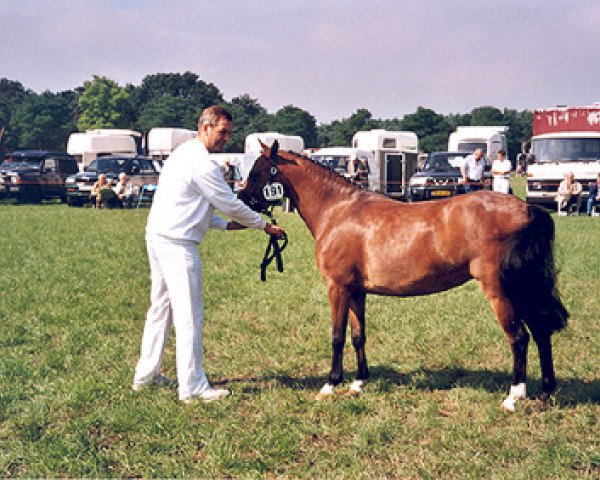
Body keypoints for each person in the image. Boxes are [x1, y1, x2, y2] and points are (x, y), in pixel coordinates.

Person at [132, 105, 285, 404]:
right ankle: (192, 387)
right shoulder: (202, 165)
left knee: (160, 309)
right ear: (205, 127)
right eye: (222, 132)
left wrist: (230, 226)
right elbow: (228, 203)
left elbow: (195, 208)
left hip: (160, 236)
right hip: (177, 245)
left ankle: (145, 377)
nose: (226, 138)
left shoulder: (182, 153)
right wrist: (263, 225)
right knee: (189, 314)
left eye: (229, 132)